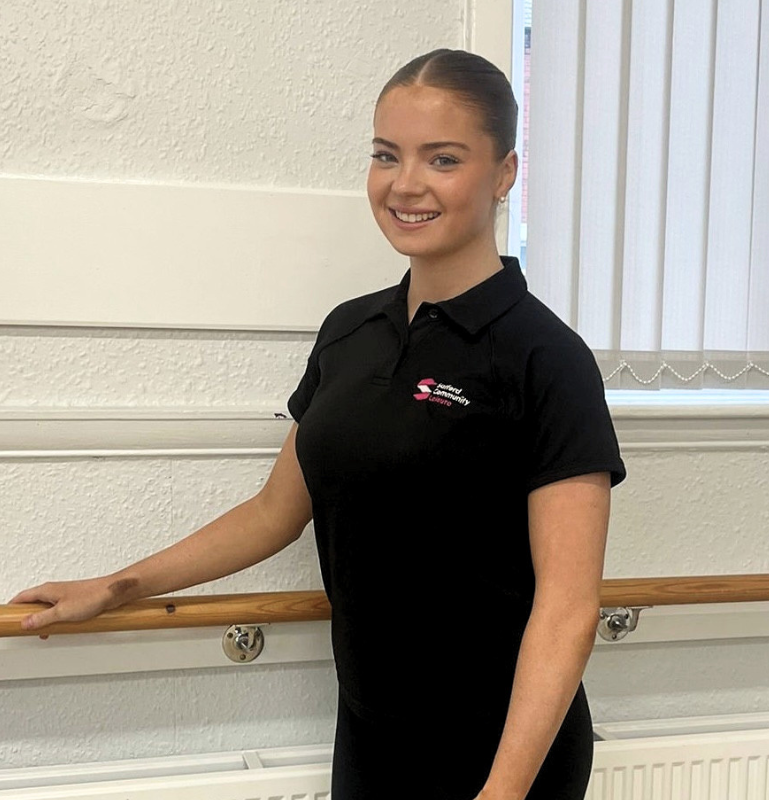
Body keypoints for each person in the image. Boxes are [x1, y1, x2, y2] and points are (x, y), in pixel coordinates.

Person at [10, 49, 626, 800]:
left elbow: (568, 608)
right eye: (385, 154)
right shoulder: (349, 331)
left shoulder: (545, 357)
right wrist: (116, 586)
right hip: (371, 736)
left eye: (443, 158)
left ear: (503, 174)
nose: (406, 183)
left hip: (504, 753)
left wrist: (502, 791)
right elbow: (276, 511)